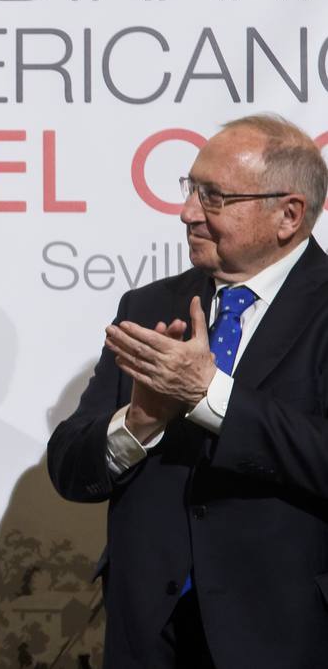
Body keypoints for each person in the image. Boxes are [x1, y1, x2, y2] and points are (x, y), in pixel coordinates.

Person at [48, 114, 328, 668]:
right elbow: (70, 466)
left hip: (282, 631)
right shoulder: (148, 307)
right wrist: (139, 421)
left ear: (288, 215)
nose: (187, 213)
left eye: (214, 196)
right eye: (190, 189)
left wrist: (209, 395)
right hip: (148, 630)